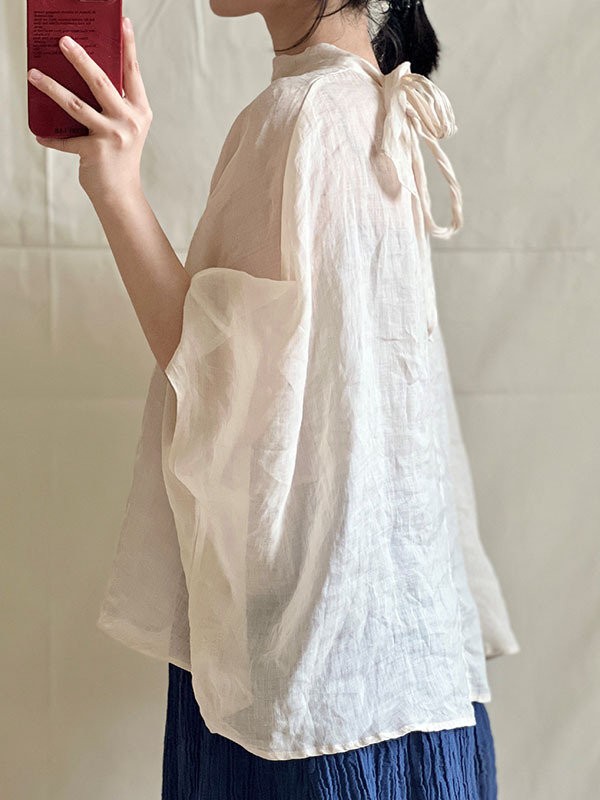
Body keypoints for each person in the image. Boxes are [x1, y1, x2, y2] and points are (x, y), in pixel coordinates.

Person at [28, 1, 520, 797]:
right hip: (408, 661)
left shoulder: (298, 116)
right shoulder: (377, 105)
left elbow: (225, 395)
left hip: (307, 684)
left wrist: (114, 184)